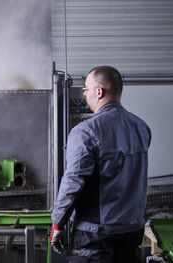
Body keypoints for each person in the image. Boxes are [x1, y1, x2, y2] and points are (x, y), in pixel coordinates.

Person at [50, 66, 151, 263]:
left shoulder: (85, 132)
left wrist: (58, 223)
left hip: (95, 234)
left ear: (99, 91)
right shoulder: (141, 127)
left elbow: (73, 182)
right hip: (132, 230)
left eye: (86, 88)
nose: (84, 93)